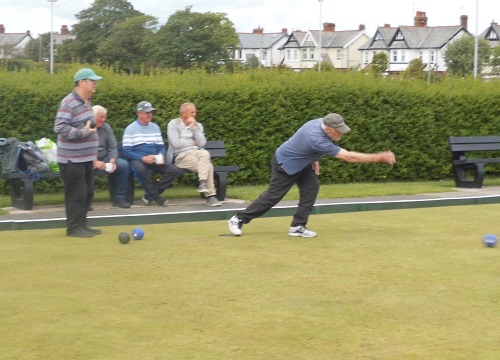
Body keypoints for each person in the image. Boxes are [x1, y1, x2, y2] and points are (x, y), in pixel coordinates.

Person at [227, 113, 396, 238]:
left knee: (311, 187)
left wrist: (312, 159)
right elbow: (349, 157)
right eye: (339, 131)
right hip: (285, 163)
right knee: (273, 197)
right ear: (329, 130)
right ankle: (238, 218)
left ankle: (297, 226)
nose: (342, 134)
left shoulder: (319, 123)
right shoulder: (317, 138)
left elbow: (304, 144)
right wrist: (379, 157)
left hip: (301, 162)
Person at [54, 68, 102, 238]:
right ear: (81, 82)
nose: (95, 83)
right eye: (92, 80)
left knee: (88, 192)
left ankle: (82, 224)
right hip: (71, 159)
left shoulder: (86, 102)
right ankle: (74, 228)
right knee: (76, 193)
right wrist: (83, 133)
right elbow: (60, 127)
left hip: (86, 157)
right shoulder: (68, 102)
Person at [122, 101, 184, 207]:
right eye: (147, 112)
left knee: (174, 170)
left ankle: (149, 196)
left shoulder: (155, 127)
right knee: (140, 169)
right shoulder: (130, 129)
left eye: (151, 112)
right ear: (139, 113)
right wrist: (143, 158)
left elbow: (160, 146)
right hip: (138, 158)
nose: (150, 114)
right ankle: (157, 198)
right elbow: (126, 151)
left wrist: (162, 156)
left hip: (154, 158)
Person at [166, 102, 222, 207]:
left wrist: (194, 128)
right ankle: (210, 196)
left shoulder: (198, 125)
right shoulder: (173, 124)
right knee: (208, 166)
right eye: (191, 113)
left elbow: (202, 143)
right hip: (181, 156)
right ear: (183, 114)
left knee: (205, 153)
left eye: (195, 112)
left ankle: (203, 184)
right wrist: (192, 142)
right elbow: (176, 143)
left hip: (198, 153)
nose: (194, 115)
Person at [92, 105, 131, 209]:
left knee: (123, 165)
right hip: (88, 159)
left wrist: (112, 160)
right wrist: (94, 161)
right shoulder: (85, 128)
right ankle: (86, 200)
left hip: (105, 157)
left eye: (104, 117)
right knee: (83, 169)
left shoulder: (106, 127)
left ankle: (120, 198)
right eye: (100, 117)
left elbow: (113, 146)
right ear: (92, 116)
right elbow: (82, 149)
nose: (103, 120)